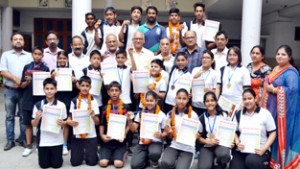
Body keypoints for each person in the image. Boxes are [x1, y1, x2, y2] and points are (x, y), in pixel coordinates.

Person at [261, 45, 300, 169]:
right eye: (278, 54)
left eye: (283, 54)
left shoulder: (291, 72)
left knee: (279, 135)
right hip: (271, 110)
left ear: (289, 57)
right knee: (271, 133)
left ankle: (281, 163)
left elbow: (293, 91)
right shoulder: (275, 69)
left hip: (284, 113)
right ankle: (270, 162)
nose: (279, 56)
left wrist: (274, 89)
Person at [0, 32, 32, 151]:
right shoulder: (6, 55)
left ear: (24, 42)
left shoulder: (29, 56)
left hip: (24, 91)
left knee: (24, 116)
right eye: (15, 39)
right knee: (9, 116)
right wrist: (15, 79)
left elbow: (31, 71)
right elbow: (3, 71)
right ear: (12, 41)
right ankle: (10, 140)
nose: (18, 41)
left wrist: (22, 82)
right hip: (10, 90)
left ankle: (23, 139)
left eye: (20, 39)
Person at [230, 89, 276, 169]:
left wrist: (264, 149)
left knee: (251, 161)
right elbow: (233, 130)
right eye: (244, 99)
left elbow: (273, 133)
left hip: (260, 150)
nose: (247, 101)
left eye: (250, 98)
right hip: (242, 150)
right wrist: (237, 142)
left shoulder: (265, 114)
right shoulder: (239, 114)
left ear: (255, 99)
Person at [20, 47, 50, 157]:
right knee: (28, 123)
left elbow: (47, 86)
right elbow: (22, 85)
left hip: (40, 100)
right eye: (35, 54)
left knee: (40, 123)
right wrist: (27, 81)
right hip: (28, 99)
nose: (37, 56)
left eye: (39, 54)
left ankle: (39, 145)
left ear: (42, 56)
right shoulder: (27, 67)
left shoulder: (45, 69)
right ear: (32, 55)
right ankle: (28, 146)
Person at [31, 78, 67, 168]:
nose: (49, 91)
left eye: (52, 89)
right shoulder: (38, 105)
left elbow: (65, 123)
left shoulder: (61, 105)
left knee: (56, 165)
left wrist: (63, 123)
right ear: (43, 90)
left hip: (57, 140)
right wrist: (37, 118)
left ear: (56, 90)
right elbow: (33, 124)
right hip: (43, 140)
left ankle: (56, 155)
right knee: (44, 165)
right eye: (47, 89)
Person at [160, 88, 199, 169]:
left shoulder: (193, 115)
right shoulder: (170, 114)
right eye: (179, 98)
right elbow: (170, 137)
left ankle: (181, 162)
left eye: (184, 98)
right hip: (175, 145)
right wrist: (169, 132)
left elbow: (198, 132)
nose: (181, 101)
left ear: (188, 99)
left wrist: (196, 135)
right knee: (164, 163)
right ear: (175, 99)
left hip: (188, 148)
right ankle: (175, 161)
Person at [66, 76, 100, 166]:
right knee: (75, 163)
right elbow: (69, 118)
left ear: (90, 87)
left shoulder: (94, 101)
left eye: (87, 86)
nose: (85, 88)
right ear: (79, 86)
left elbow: (97, 122)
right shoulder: (74, 101)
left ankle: (90, 153)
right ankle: (81, 153)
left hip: (91, 134)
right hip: (78, 134)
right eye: (83, 85)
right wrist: (69, 122)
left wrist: (93, 115)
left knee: (92, 162)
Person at [128, 91, 167, 169]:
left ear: (156, 101)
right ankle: (145, 159)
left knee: (154, 153)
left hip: (155, 141)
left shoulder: (161, 115)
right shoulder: (140, 113)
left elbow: (165, 132)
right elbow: (133, 129)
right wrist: (129, 120)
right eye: (147, 100)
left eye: (151, 101)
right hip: (142, 142)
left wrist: (161, 135)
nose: (149, 103)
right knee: (135, 165)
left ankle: (154, 160)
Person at [99, 81, 130, 168]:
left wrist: (124, 133)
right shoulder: (105, 108)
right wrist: (102, 135)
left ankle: (121, 153)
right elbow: (102, 124)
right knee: (103, 163)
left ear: (120, 92)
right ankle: (108, 155)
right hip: (108, 141)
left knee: (118, 164)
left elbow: (128, 124)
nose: (114, 93)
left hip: (120, 142)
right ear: (108, 92)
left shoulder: (126, 107)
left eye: (116, 90)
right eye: (112, 90)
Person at [51, 51, 77, 155]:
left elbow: (74, 87)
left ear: (67, 60)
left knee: (66, 121)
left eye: (64, 58)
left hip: (67, 98)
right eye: (60, 58)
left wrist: (74, 81)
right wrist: (52, 76)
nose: (62, 60)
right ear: (57, 59)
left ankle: (65, 144)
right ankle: (55, 143)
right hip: (56, 98)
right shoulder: (54, 71)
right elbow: (50, 85)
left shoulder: (71, 71)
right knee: (56, 121)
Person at [197, 92, 231, 169]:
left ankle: (220, 164)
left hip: (221, 144)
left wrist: (230, 142)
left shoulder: (224, 115)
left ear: (216, 102)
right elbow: (198, 138)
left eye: (212, 100)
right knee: (203, 167)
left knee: (223, 155)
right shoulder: (201, 118)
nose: (210, 103)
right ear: (204, 103)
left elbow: (231, 131)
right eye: (207, 101)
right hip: (207, 146)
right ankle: (211, 161)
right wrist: (208, 141)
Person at [191, 50, 218, 116]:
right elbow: (188, 84)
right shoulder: (195, 70)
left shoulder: (215, 73)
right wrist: (195, 77)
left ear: (212, 60)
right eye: (203, 58)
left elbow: (216, 90)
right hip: (195, 104)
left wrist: (209, 90)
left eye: (207, 58)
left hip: (207, 105)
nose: (204, 60)